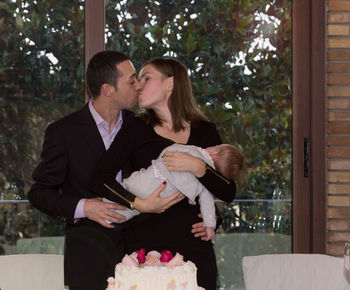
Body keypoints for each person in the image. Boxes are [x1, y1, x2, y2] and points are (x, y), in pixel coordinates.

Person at [27, 51, 184, 290]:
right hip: (88, 258)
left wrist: (207, 216)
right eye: (132, 81)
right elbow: (39, 193)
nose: (139, 86)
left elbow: (170, 172)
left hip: (143, 254)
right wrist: (84, 207)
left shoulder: (142, 127)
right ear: (108, 89)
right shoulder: (63, 132)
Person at [89, 57, 237, 290]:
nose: (138, 85)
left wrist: (199, 168)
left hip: (195, 255)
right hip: (145, 257)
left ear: (171, 84)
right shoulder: (135, 128)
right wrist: (138, 202)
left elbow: (228, 190)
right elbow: (99, 178)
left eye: (146, 78)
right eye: (137, 80)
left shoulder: (205, 132)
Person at [105, 143, 245, 241]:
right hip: (162, 196)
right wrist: (209, 225)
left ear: (216, 151)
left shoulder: (194, 151)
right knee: (128, 212)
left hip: (149, 180)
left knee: (126, 189)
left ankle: (102, 209)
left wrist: (160, 163)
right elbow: (207, 202)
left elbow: (169, 150)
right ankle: (109, 218)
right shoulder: (205, 179)